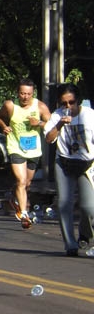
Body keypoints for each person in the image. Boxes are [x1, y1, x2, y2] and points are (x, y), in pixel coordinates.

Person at [44, 83, 94, 256]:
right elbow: (49, 139)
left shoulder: (89, 115)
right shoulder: (56, 116)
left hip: (87, 163)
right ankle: (70, 244)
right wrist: (59, 125)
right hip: (64, 163)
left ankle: (85, 234)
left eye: (71, 102)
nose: (68, 107)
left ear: (77, 100)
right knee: (65, 203)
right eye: (63, 103)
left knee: (89, 207)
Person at [0, 78, 51, 229]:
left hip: (34, 149)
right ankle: (24, 214)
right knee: (21, 180)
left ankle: (15, 198)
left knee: (27, 183)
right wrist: (4, 126)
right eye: (22, 93)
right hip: (15, 147)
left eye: (28, 94)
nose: (25, 97)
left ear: (33, 93)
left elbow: (53, 124)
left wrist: (39, 123)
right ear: (17, 93)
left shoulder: (40, 106)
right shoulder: (10, 105)